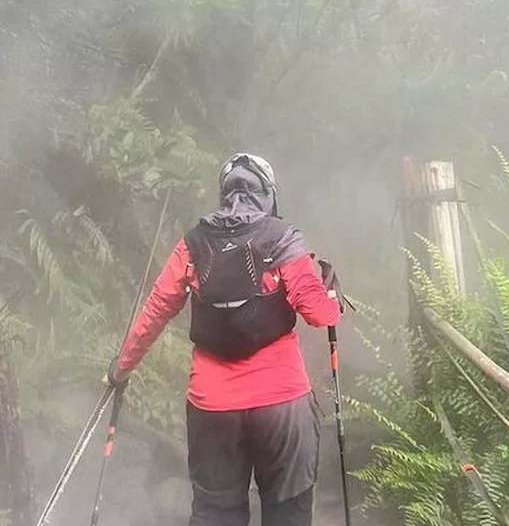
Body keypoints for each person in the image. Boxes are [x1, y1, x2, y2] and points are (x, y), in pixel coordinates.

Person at [106, 152, 343, 526]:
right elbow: (319, 314)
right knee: (288, 515)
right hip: (282, 406)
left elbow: (155, 311)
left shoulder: (193, 244)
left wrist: (120, 370)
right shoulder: (283, 238)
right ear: (268, 195)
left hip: (213, 409)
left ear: (223, 194)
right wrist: (331, 296)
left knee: (216, 516)